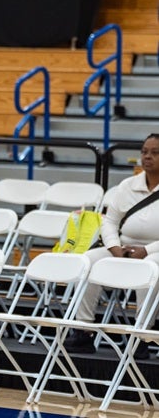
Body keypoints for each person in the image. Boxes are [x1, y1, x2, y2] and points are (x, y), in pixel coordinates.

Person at [65, 133, 159, 360]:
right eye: (144, 152)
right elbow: (109, 222)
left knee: (149, 267)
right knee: (88, 260)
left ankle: (141, 336)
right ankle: (83, 329)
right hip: (124, 246)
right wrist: (115, 247)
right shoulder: (127, 185)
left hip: (154, 251)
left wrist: (146, 250)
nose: (147, 157)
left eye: (155, 153)